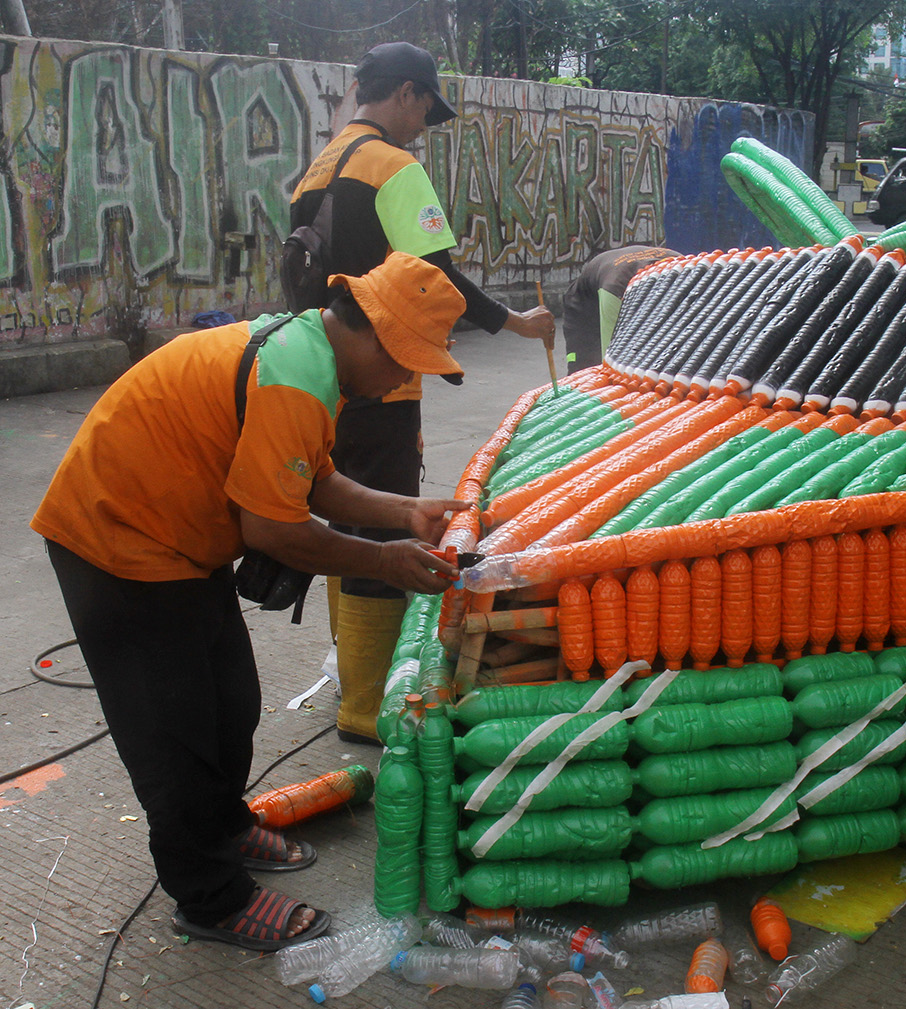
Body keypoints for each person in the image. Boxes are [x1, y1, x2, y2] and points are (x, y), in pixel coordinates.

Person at [30, 253, 470, 952]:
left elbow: (313, 479)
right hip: (116, 538)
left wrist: (405, 511)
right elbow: (272, 528)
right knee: (174, 735)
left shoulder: (312, 355)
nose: (401, 381)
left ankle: (227, 826)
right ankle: (210, 898)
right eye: (406, 363)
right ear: (376, 338)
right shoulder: (299, 375)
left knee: (228, 701)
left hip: (180, 542)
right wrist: (384, 558)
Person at [289, 41, 555, 744]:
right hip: (382, 372)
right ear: (404, 93)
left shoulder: (315, 169)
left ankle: (355, 677)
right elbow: (435, 281)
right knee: (383, 530)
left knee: (342, 523)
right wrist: (516, 322)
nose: (421, 129)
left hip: (321, 372)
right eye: (423, 111)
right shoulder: (393, 169)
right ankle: (367, 708)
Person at [563, 245, 679, 372]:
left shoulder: (694, 275)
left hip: (632, 271)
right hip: (585, 304)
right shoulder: (615, 291)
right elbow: (611, 361)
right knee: (585, 368)